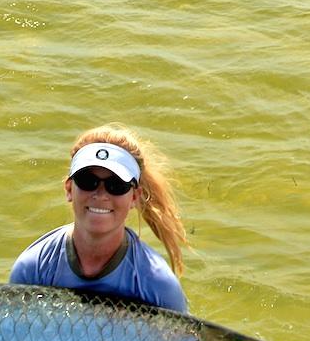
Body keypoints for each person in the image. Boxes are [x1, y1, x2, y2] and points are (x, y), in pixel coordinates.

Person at [10, 125, 188, 312]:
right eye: (88, 181)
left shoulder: (157, 284)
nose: (101, 194)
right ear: (69, 189)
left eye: (116, 185)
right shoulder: (33, 268)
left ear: (134, 197)